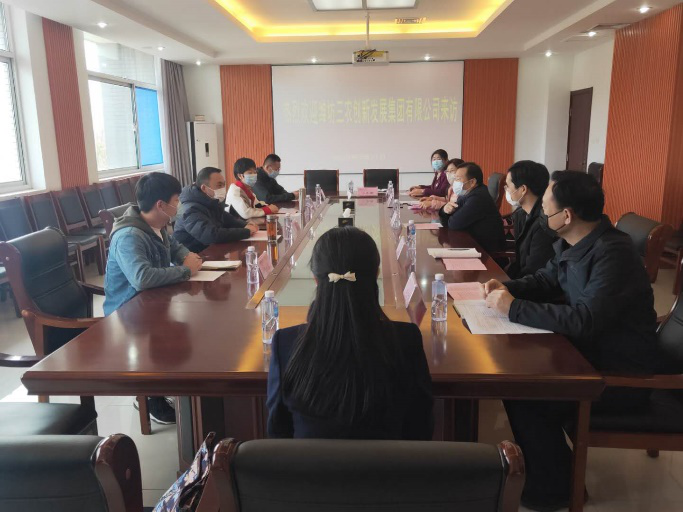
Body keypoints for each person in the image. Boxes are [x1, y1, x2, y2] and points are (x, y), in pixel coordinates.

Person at [484, 171, 659, 511]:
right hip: (588, 353)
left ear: (566, 215)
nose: (541, 214)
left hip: (620, 373)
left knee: (524, 391)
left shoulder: (613, 254)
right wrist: (506, 289)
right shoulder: (575, 241)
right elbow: (546, 279)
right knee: (517, 377)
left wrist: (514, 308)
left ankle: (555, 489)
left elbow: (585, 319)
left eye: (546, 209)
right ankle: (550, 473)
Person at [267, 227, 433, 439]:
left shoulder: (285, 344)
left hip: (309, 462)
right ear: (376, 275)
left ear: (316, 280)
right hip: (390, 462)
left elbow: (277, 433)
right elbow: (421, 429)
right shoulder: (407, 339)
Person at [104, 172, 203, 425]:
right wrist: (185, 271)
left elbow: (174, 246)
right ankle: (149, 396)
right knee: (181, 330)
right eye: (176, 200)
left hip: (151, 300)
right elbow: (142, 278)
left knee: (196, 324)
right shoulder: (129, 235)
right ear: (161, 204)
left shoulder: (155, 224)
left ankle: (171, 383)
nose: (179, 205)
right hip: (128, 311)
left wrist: (187, 257)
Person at [174, 166, 258, 252]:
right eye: (219, 185)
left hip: (211, 250)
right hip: (194, 254)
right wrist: (245, 232)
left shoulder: (210, 201)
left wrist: (244, 225)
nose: (223, 189)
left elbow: (226, 218)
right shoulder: (190, 209)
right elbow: (210, 235)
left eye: (224, 185)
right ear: (204, 188)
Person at [503, 160, 556, 278]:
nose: (506, 189)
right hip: (520, 279)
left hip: (532, 283)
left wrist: (509, 284)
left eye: (508, 186)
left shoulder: (544, 224)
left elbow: (534, 269)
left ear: (523, 189)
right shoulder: (521, 214)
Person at [438, 162, 505, 253]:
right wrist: (444, 210)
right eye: (455, 179)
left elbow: (454, 223)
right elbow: (448, 222)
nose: (455, 182)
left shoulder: (479, 197)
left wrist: (448, 216)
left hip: (485, 252)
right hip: (471, 244)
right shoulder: (465, 194)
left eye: (458, 179)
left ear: (472, 182)